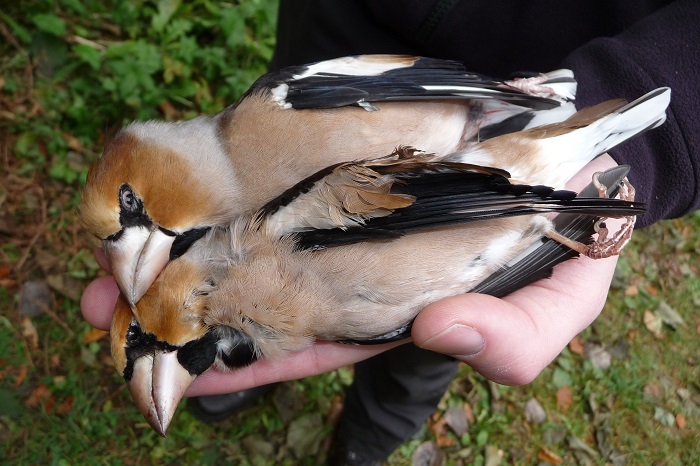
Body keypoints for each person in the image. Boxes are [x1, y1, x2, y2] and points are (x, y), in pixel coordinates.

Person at [81, 1, 699, 464]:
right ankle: (229, 386)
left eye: (132, 212)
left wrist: (640, 148)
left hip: (541, 68)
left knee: (423, 353)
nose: (134, 257)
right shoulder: (219, 234)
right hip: (348, 18)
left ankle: (369, 439)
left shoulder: (265, 113)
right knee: (422, 323)